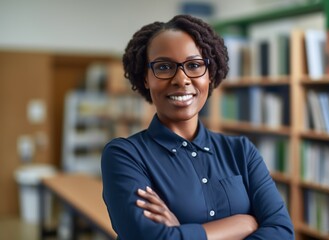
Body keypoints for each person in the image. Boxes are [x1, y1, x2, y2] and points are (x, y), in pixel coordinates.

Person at [101, 14, 294, 240]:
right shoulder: (125, 155)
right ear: (146, 78)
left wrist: (180, 232)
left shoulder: (241, 151)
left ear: (209, 76)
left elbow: (281, 232)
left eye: (194, 65)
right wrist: (243, 223)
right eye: (164, 67)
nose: (181, 79)